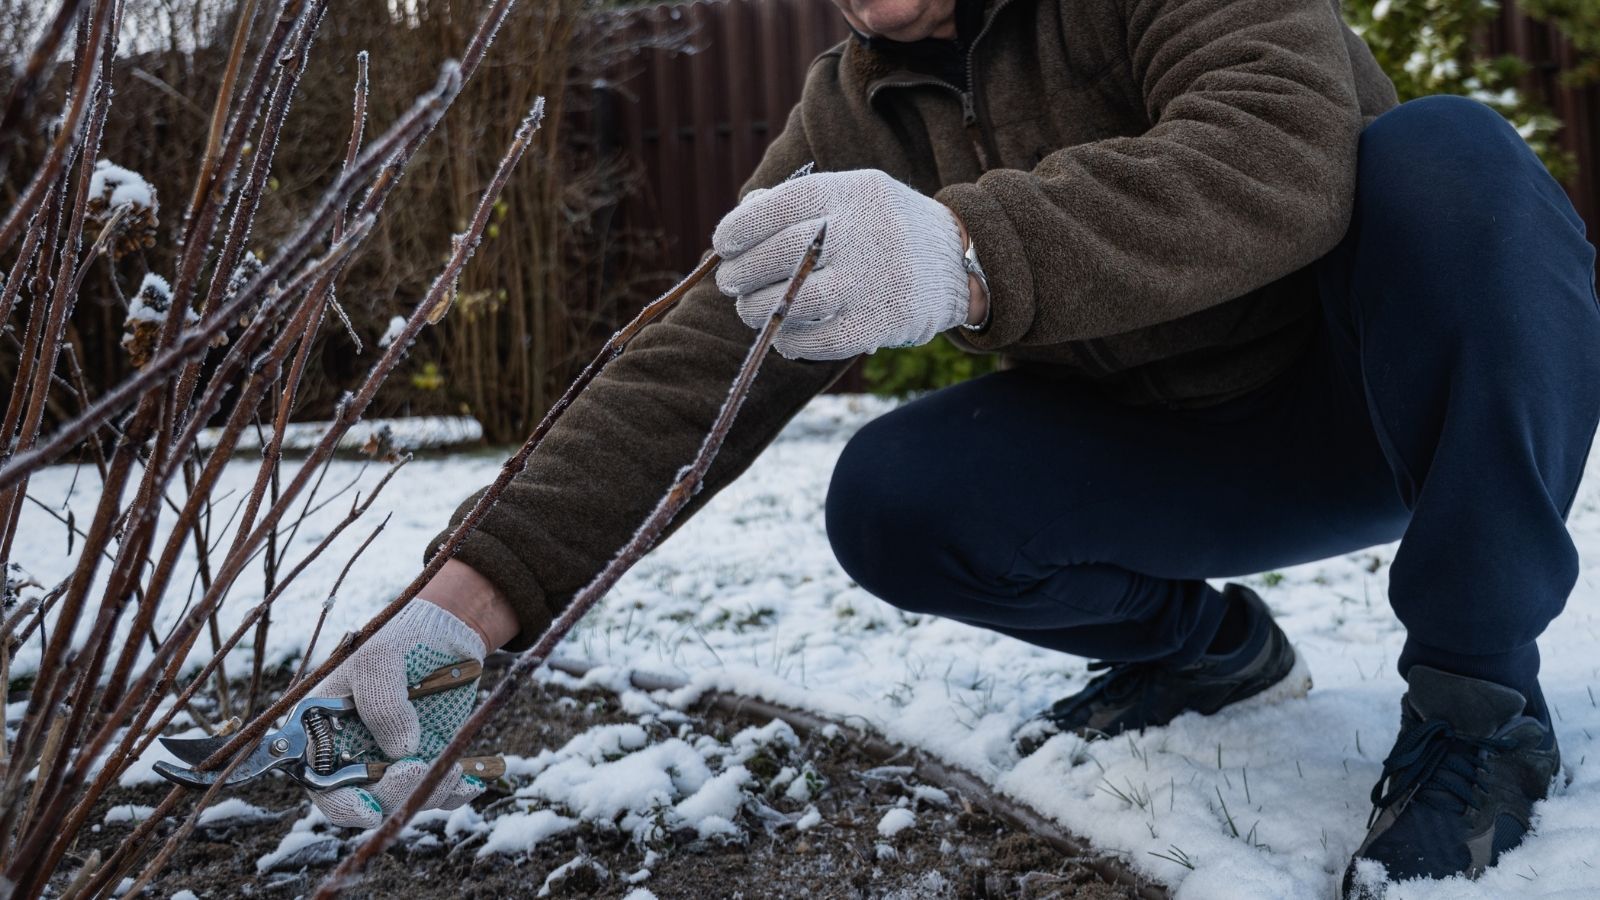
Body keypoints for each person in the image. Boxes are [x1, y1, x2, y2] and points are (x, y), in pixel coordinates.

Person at [304, 0, 1600, 893]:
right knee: (895, 495)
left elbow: (1277, 153)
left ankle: (1479, 703)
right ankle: (1207, 653)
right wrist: (464, 606)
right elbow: (703, 357)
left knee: (1451, 155)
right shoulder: (853, 111)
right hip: (1184, 472)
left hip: (1382, 411)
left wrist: (971, 253)